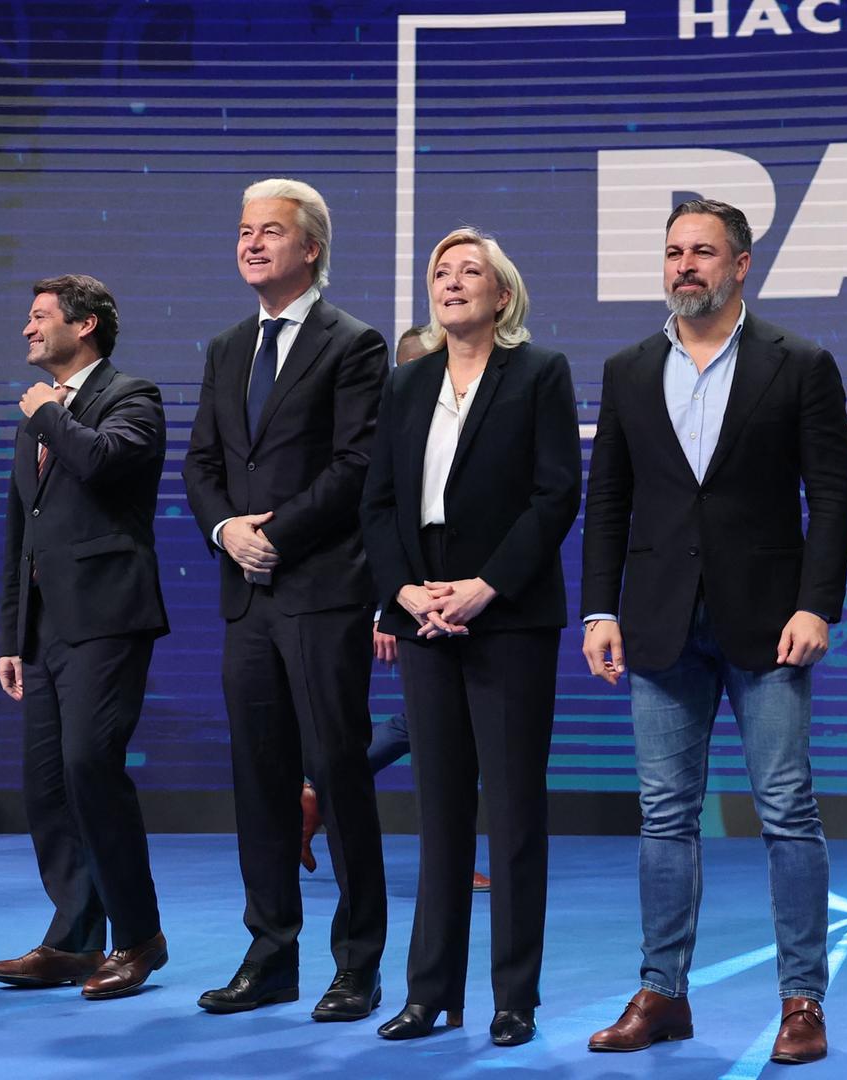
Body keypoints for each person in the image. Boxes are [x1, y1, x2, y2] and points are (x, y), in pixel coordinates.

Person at [582, 199, 847, 1065]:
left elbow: (836, 494)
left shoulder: (801, 364)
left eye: (703, 251)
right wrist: (599, 607)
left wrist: (817, 604)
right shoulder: (628, 368)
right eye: (672, 252)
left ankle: (803, 1003)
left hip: (770, 623)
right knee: (664, 815)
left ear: (743, 264)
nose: (684, 265)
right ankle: (663, 992)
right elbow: (609, 500)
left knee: (786, 810)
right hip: (659, 624)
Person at [361, 229, 580, 1047]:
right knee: (441, 810)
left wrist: (487, 587)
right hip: (423, 610)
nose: (452, 283)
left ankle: (513, 996)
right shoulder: (406, 383)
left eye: (469, 273)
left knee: (514, 809)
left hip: (508, 611)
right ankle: (430, 993)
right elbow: (377, 504)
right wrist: (405, 590)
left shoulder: (539, 374)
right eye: (441, 274)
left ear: (503, 295)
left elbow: (556, 495)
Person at [183, 177, 389, 1019]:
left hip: (321, 591)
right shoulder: (227, 346)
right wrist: (228, 532)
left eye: (271, 231)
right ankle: (270, 953)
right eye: (243, 231)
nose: (252, 243)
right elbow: (201, 465)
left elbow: (356, 466)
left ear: (311, 249)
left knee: (336, 775)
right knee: (259, 780)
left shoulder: (355, 344)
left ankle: (358, 962)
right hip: (248, 597)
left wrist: (278, 536)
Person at [0, 275, 172, 1000]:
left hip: (108, 616)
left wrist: (48, 417)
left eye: (39, 318)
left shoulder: (132, 396)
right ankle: (72, 939)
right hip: (44, 630)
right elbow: (19, 534)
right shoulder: (38, 413)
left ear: (84, 325)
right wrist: (11, 635)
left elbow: (102, 462)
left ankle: (138, 937)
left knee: (93, 766)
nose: (27, 331)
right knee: (49, 786)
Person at [305, 323, 491, 891]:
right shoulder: (395, 420)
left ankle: (319, 793)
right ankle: (325, 792)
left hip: (448, 599)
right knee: (431, 728)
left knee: (433, 726)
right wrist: (388, 608)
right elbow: (375, 519)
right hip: (401, 603)